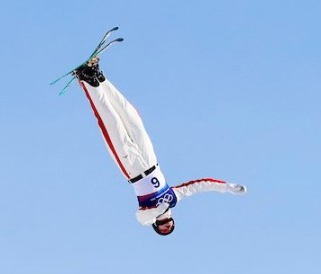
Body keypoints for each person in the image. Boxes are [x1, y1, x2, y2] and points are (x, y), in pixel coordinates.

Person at [73, 57, 247, 236]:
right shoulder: (174, 197)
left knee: (112, 123)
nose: (167, 227)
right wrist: (227, 187)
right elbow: (199, 185)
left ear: (156, 226)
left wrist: (159, 210)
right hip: (150, 160)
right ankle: (100, 78)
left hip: (133, 169)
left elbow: (140, 217)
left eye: (163, 230)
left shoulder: (148, 216)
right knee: (132, 118)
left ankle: (87, 80)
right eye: (169, 228)